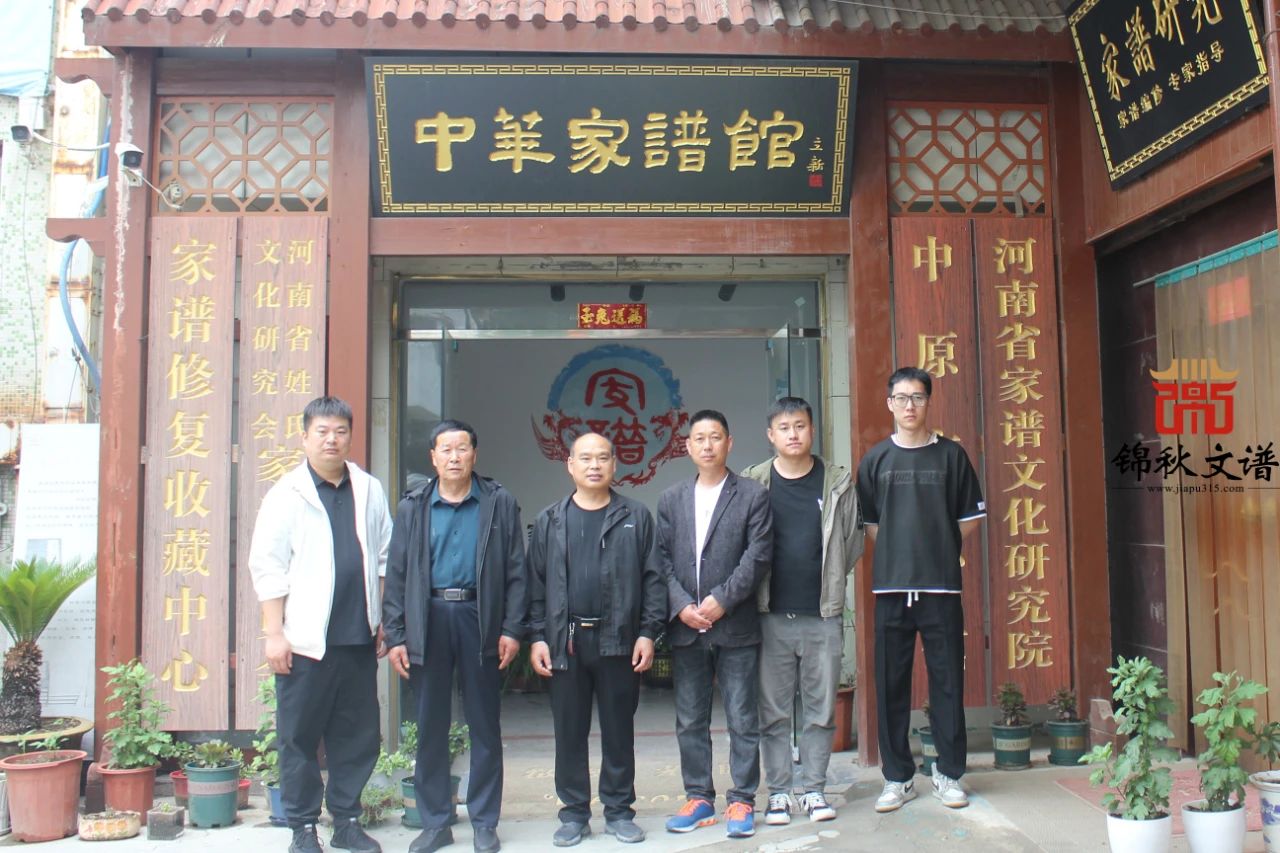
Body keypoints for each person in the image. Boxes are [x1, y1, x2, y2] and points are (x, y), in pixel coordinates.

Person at [248, 396, 393, 853]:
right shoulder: (286, 494)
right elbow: (268, 567)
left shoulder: (368, 488)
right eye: (322, 431)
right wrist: (274, 633)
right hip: (305, 642)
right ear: (305, 437)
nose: (332, 440)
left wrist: (381, 617)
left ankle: (346, 821)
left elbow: (384, 557)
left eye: (340, 431)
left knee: (358, 737)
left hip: (358, 638)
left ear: (350, 436)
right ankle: (303, 828)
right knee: (299, 737)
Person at [382, 419, 527, 853]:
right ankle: (435, 821)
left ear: (474, 454)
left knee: (484, 722)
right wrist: (396, 635)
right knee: (431, 724)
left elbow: (516, 571)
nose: (454, 457)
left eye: (462, 448)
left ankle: (484, 820)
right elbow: (397, 574)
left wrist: (511, 628)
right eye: (446, 449)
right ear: (433, 457)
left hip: (480, 618)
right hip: (428, 618)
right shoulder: (413, 506)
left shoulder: (498, 502)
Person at [855, 368, 986, 813]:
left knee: (948, 683)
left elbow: (969, 519)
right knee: (890, 685)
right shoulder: (875, 459)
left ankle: (949, 774)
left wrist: (937, 547)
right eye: (901, 397)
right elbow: (871, 524)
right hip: (891, 588)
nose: (909, 405)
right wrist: (902, 551)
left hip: (941, 588)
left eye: (917, 397)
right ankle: (897, 778)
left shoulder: (951, 456)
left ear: (929, 402)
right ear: (889, 403)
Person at [526, 432, 666, 847]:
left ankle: (619, 811)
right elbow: (535, 586)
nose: (594, 465)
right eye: (585, 458)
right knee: (568, 731)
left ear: (614, 465)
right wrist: (537, 637)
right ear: (570, 465)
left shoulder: (635, 517)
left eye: (602, 458)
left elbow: (654, 580)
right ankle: (573, 813)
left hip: (618, 640)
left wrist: (648, 632)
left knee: (618, 730)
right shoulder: (550, 520)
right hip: (566, 641)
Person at [740, 397, 863, 825]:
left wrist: (830, 584)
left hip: (821, 616)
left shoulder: (837, 482)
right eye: (784, 427)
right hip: (769, 615)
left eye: (800, 426)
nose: (793, 434)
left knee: (820, 710)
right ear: (770, 435)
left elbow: (852, 543)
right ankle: (778, 793)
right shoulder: (753, 482)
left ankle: (814, 790)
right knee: (773, 712)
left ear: (812, 430)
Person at [656, 410, 772, 839]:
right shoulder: (671, 499)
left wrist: (722, 599)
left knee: (742, 716)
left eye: (715, 437)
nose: (707, 445)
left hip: (735, 623)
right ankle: (699, 797)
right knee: (690, 718)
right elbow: (660, 560)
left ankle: (742, 799)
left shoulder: (752, 495)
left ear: (729, 443)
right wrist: (681, 605)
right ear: (687, 446)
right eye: (699, 438)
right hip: (687, 625)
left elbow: (758, 555)